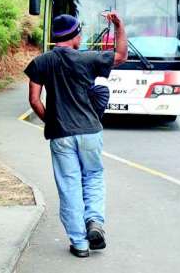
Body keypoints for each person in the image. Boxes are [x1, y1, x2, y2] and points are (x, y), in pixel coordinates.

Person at [24, 13, 127, 258]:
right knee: (92, 176)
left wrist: (52, 121)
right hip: (90, 131)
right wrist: (119, 25)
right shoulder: (87, 58)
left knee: (69, 186)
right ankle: (94, 222)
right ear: (74, 36)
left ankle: (80, 244)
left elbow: (34, 100)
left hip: (60, 135)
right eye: (80, 33)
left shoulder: (41, 62)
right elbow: (122, 55)